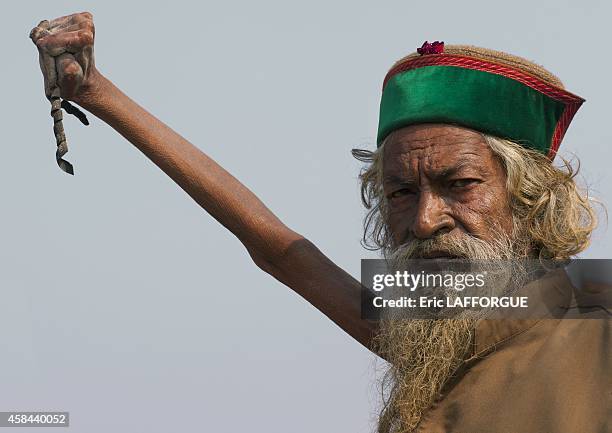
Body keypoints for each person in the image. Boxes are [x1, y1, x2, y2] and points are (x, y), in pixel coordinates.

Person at [30, 12, 611, 433]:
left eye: (460, 186)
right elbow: (281, 251)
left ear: (532, 197)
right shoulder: (432, 337)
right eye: (401, 193)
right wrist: (99, 94)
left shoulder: (592, 319)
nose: (427, 220)